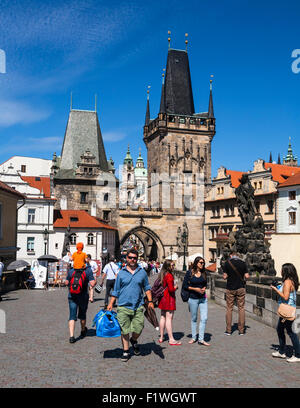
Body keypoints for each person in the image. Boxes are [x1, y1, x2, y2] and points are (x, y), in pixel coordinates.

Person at [107, 249, 154, 362]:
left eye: (134, 258)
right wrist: (110, 303)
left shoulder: (142, 272)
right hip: (123, 306)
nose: (132, 260)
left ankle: (134, 340)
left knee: (139, 327)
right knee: (124, 330)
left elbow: (147, 288)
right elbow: (116, 290)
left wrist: (150, 301)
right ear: (126, 258)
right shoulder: (121, 273)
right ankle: (126, 350)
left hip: (138, 306)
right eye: (130, 257)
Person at [271, 263, 300, 362]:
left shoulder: (287, 282)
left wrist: (275, 289)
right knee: (280, 329)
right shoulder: (292, 281)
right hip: (290, 309)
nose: (281, 271)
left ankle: (297, 355)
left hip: (287, 311)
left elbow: (286, 297)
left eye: (282, 270)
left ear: (286, 271)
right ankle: (282, 351)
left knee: (291, 333)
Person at [65, 261, 96, 344]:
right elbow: (92, 283)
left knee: (72, 315)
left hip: (72, 296)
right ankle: (82, 330)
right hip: (83, 296)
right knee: (82, 314)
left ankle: (71, 336)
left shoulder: (71, 270)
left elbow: (66, 282)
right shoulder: (88, 270)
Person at [183, 256, 210, 346]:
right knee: (194, 319)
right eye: (200, 263)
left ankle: (201, 339)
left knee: (204, 318)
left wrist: (204, 288)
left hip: (203, 298)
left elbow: (206, 284)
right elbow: (185, 286)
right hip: (193, 298)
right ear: (196, 263)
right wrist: (196, 289)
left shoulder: (204, 273)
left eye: (203, 263)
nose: (202, 264)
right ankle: (194, 337)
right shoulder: (189, 273)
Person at [222, 251, 249, 335]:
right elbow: (247, 276)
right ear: (238, 256)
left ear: (231, 255)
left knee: (229, 308)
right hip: (241, 287)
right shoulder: (243, 263)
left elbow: (225, 276)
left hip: (230, 288)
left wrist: (226, 276)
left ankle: (229, 330)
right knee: (241, 308)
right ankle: (241, 330)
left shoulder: (227, 263)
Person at [158, 260, 181, 346]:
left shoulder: (162, 275)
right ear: (168, 266)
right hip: (169, 299)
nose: (173, 267)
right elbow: (171, 289)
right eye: (172, 265)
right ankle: (171, 339)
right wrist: (176, 287)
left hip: (162, 298)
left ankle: (161, 337)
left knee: (162, 317)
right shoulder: (169, 276)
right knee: (169, 318)